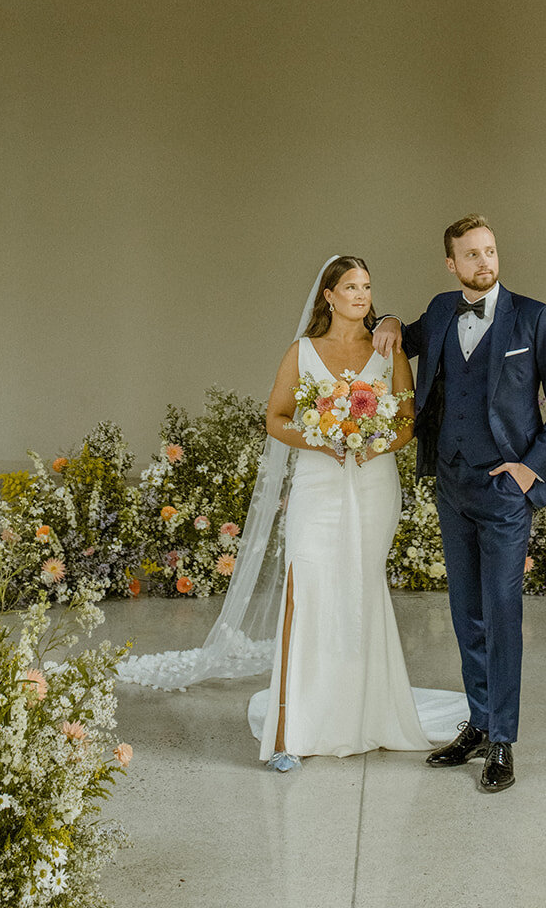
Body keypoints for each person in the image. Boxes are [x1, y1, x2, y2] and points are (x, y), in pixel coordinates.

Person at [118, 254, 465, 770]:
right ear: (328, 295)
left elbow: (408, 421)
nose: (361, 295)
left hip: (372, 484)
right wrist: (321, 439)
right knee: (306, 591)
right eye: (350, 287)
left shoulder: (388, 349)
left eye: (367, 287)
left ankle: (364, 714)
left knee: (360, 590)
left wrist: (374, 444)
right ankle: (290, 731)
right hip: (318, 483)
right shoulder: (301, 353)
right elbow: (275, 418)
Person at [373, 214, 546, 793]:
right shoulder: (443, 309)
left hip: (503, 491)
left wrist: (528, 469)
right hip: (452, 484)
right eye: (471, 255)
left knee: (501, 614)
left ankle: (504, 742)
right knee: (466, 612)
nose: (484, 262)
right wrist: (388, 319)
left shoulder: (535, 318)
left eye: (490, 251)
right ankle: (479, 724)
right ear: (451, 263)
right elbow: (403, 337)